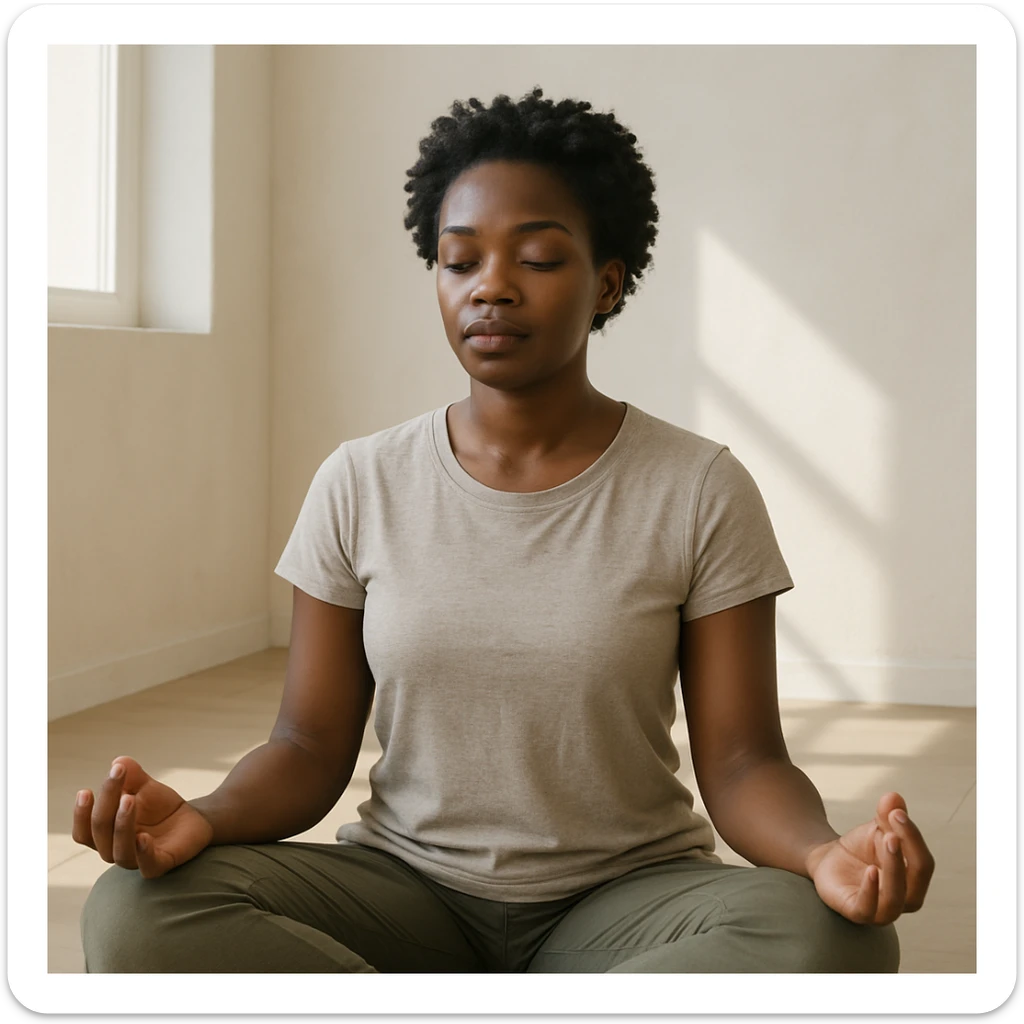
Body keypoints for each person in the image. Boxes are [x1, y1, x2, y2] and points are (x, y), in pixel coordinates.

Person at [76, 88, 933, 974]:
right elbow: (307, 745)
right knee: (136, 911)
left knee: (832, 935)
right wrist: (205, 815)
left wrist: (821, 853)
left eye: (536, 257)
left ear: (608, 281)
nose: (491, 285)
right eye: (459, 261)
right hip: (405, 893)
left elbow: (746, 761)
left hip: (624, 898)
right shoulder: (360, 481)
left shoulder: (699, 487)